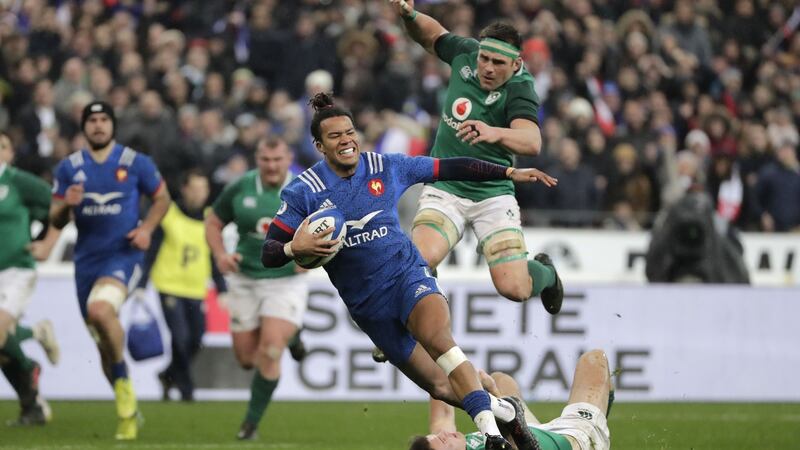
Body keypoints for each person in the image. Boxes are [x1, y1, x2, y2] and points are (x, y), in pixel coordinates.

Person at [262, 93, 557, 450]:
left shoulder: (385, 166)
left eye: (350, 132)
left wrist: (508, 171)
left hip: (409, 277)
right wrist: (296, 248)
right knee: (441, 387)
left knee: (439, 340)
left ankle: (493, 437)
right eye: (336, 136)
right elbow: (270, 252)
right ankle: (507, 413)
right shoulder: (303, 191)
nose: (347, 140)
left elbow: (449, 167)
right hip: (370, 308)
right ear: (319, 145)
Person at [389, 0, 563, 314]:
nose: (487, 67)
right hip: (446, 187)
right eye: (484, 59)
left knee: (515, 288)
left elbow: (532, 141)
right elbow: (431, 35)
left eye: (498, 63)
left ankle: (546, 273)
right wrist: (410, 16)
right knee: (417, 260)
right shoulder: (465, 53)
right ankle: (403, 327)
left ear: (515, 64)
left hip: (492, 194)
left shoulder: (521, 89)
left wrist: (494, 132)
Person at [45, 101, 171, 440]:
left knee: (100, 310)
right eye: (92, 120)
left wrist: (146, 229)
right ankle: (126, 403)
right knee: (102, 343)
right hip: (86, 262)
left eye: (104, 120)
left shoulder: (134, 163)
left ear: (112, 125)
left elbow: (162, 198)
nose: (98, 126)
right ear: (84, 127)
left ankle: (126, 396)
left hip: (123, 255)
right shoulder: (69, 168)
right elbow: (55, 218)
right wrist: (65, 207)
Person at [205, 136, 309, 441]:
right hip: (244, 278)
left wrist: (313, 257)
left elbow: (332, 226)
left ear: (288, 158)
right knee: (247, 359)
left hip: (286, 279)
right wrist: (221, 255)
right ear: (257, 159)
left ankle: (249, 425)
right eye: (266, 160)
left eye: (278, 160)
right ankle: (294, 335)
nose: (272, 166)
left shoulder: (306, 188)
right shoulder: (241, 186)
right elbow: (213, 222)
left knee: (270, 350)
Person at [409, 349, 613, 450]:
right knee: (595, 359)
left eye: (437, 436)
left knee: (501, 379)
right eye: (442, 441)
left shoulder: (453, 441)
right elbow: (515, 437)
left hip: (535, 433)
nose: (444, 434)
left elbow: (441, 406)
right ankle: (599, 432)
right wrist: (489, 391)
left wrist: (420, 339)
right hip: (575, 440)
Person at [137, 169, 226, 401]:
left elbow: (213, 257)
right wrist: (141, 283)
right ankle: (187, 389)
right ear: (184, 189)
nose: (199, 194)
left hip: (196, 288)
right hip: (169, 285)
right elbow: (152, 250)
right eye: (195, 189)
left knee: (196, 338)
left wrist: (221, 288)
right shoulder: (169, 214)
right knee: (179, 337)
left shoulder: (210, 218)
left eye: (203, 189)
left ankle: (168, 375)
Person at [0, 133, 60, 426]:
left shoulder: (18, 182)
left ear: (11, 153)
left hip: (14, 271)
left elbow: (58, 208)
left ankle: (33, 340)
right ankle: (32, 404)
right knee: (2, 346)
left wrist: (45, 243)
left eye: (3, 146)